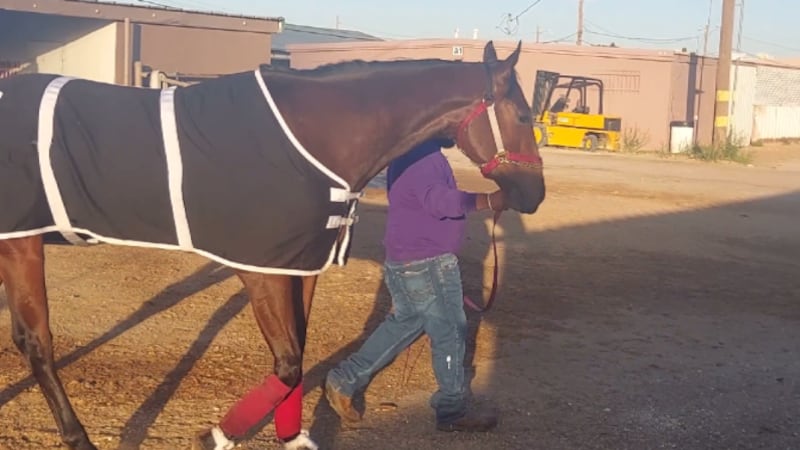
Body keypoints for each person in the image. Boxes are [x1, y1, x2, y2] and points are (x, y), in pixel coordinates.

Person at [324, 137, 506, 432]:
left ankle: (343, 379)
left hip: (408, 258)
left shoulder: (411, 152)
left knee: (404, 324)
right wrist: (488, 201)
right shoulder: (423, 158)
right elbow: (438, 201)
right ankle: (451, 410)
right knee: (449, 332)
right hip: (428, 262)